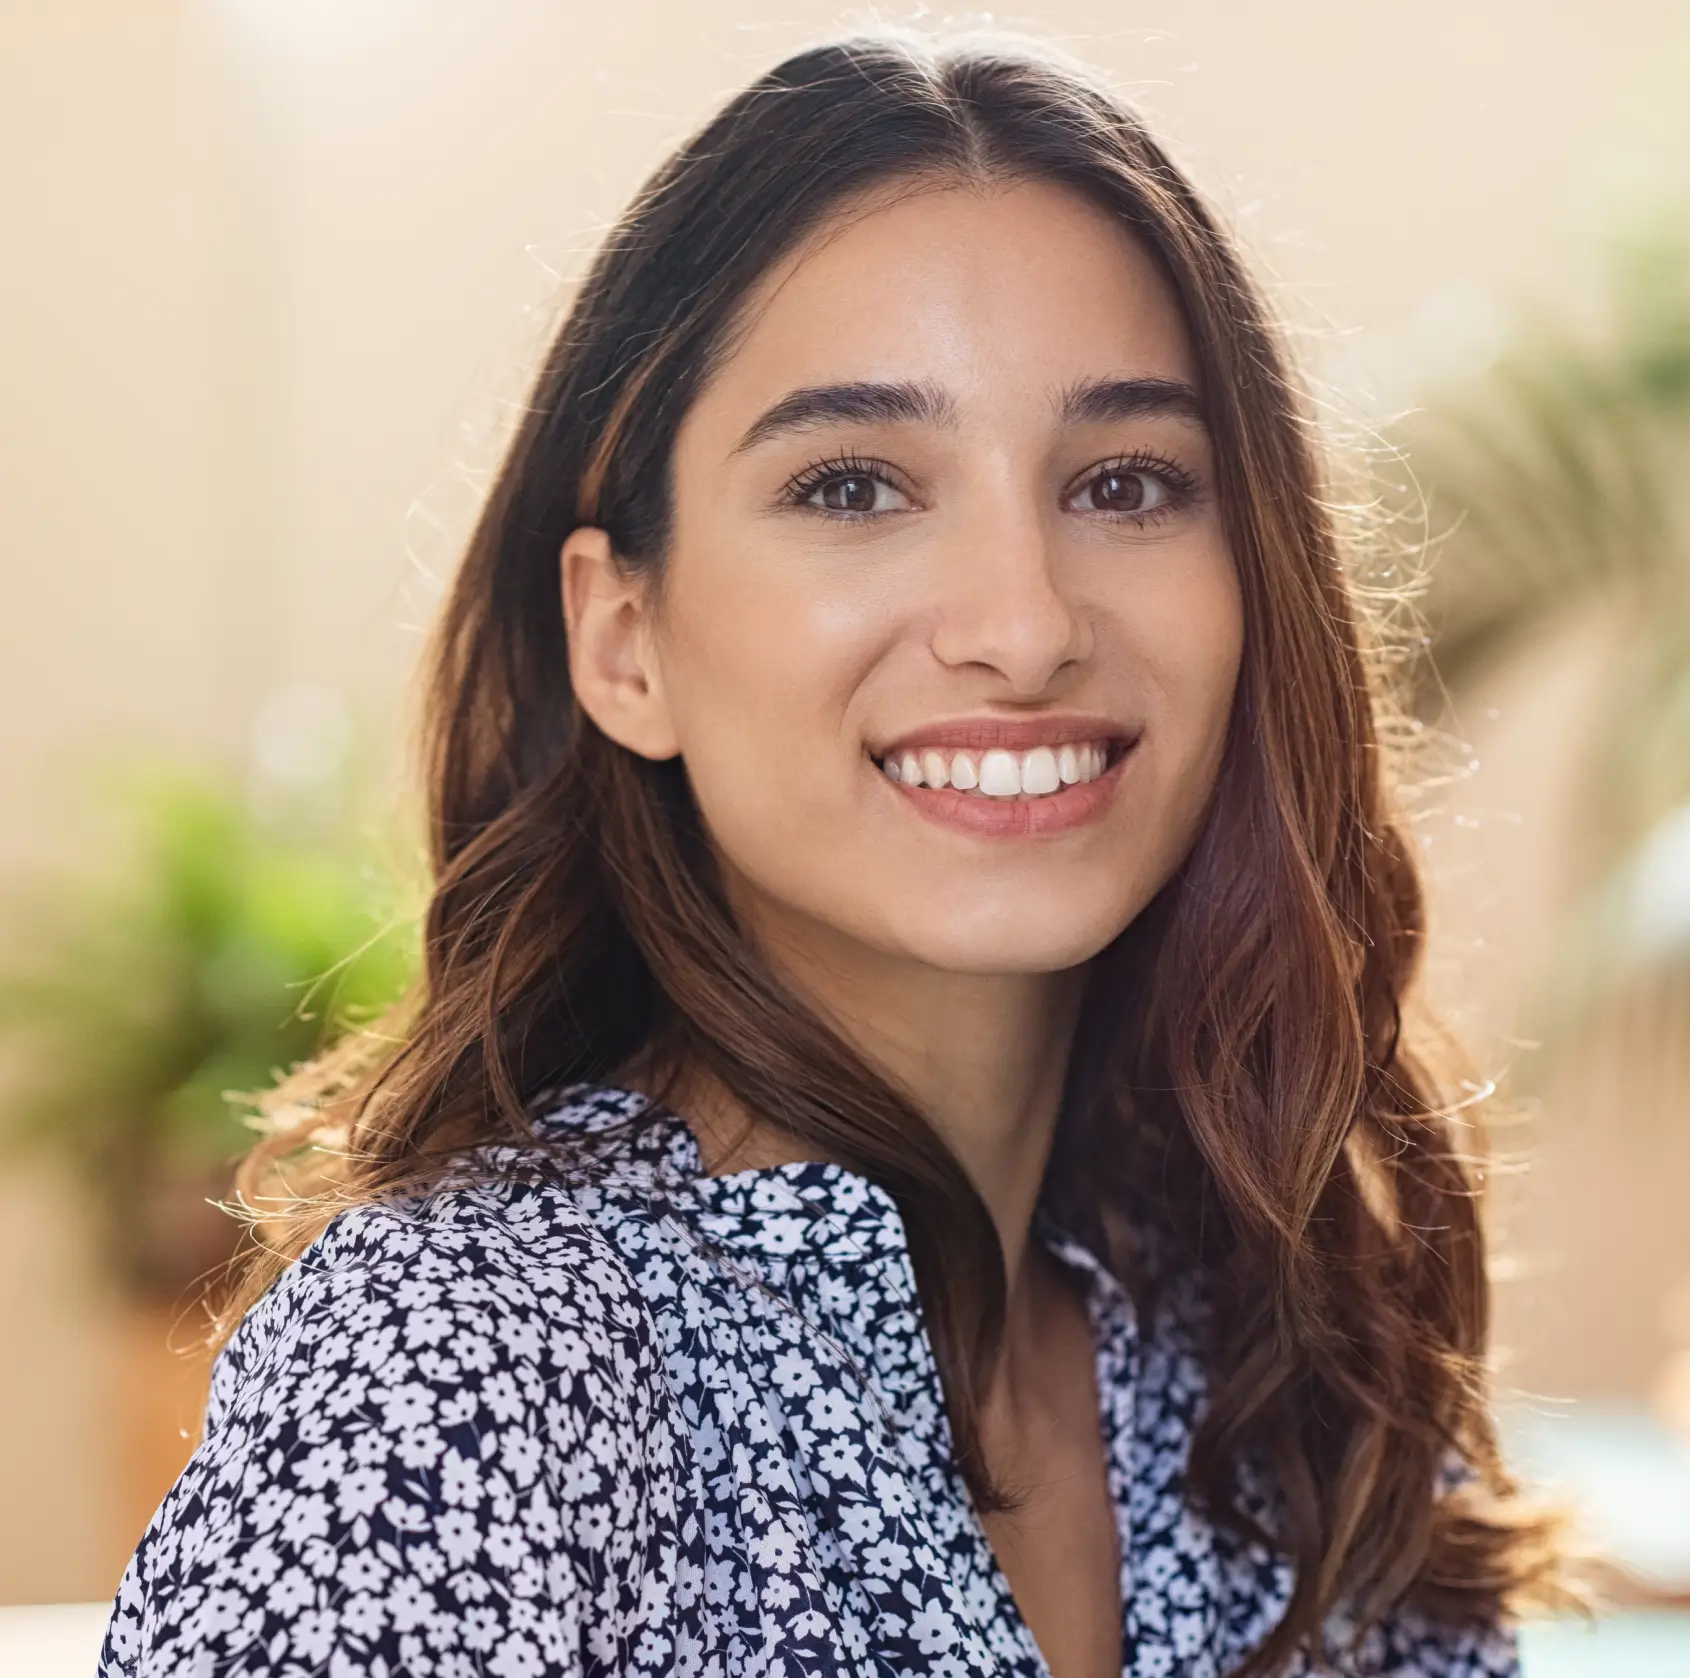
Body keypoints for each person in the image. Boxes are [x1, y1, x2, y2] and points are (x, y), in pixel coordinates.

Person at [98, 32, 1564, 1678]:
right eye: (854, 484)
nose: (1022, 624)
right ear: (625, 637)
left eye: (1126, 482)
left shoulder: (1285, 1366)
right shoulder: (458, 1366)